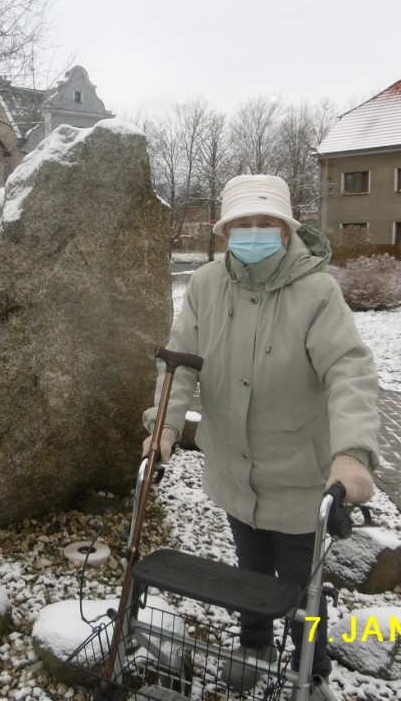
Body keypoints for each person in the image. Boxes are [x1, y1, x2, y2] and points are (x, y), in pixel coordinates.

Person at [142, 174, 379, 682]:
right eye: (242, 224)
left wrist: (352, 454)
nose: (253, 232)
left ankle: (311, 669)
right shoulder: (206, 285)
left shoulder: (317, 293)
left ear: (287, 230)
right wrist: (164, 426)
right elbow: (180, 361)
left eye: (265, 223)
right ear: (224, 231)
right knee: (249, 567)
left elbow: (349, 371)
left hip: (298, 472)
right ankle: (254, 647)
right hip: (233, 464)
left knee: (298, 582)